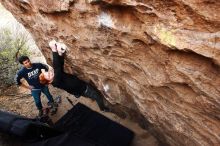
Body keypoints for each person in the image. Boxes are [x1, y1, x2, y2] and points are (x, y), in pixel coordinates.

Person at [40, 40, 109, 111]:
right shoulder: (56, 81)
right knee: (97, 95)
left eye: (48, 72)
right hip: (83, 88)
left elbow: (60, 67)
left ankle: (78, 94)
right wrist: (54, 50)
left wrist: (60, 54)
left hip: (76, 88)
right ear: (48, 82)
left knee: (83, 92)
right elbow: (57, 68)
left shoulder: (56, 78)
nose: (50, 73)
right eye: (48, 76)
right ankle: (103, 108)